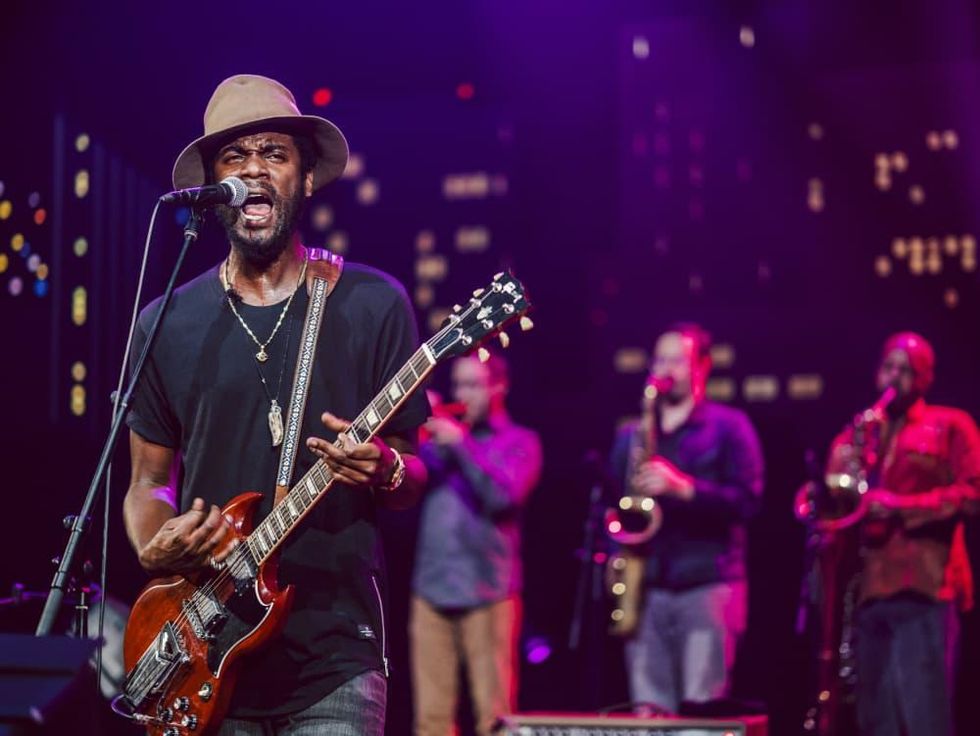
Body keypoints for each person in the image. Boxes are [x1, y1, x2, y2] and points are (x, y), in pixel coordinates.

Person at [122, 74, 430, 735]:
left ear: (307, 178)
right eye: (234, 156)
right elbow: (147, 483)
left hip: (335, 658)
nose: (254, 169)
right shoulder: (165, 322)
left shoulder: (374, 304)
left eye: (274, 153)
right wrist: (157, 542)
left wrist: (387, 469)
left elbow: (413, 471)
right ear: (212, 186)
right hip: (204, 651)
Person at [824, 332, 980, 736]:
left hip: (924, 586)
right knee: (877, 720)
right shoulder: (863, 431)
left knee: (924, 716)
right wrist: (839, 470)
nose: (895, 377)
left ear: (926, 378)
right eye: (889, 367)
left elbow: (973, 494)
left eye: (906, 370)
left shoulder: (950, 425)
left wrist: (899, 506)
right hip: (868, 591)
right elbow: (832, 502)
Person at [608, 323, 763, 714]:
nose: (665, 369)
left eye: (677, 360)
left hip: (707, 584)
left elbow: (747, 502)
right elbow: (618, 504)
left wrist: (685, 488)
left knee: (700, 711)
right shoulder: (633, 433)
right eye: (659, 359)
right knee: (648, 712)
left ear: (703, 366)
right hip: (647, 586)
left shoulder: (730, 427)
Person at [410, 351, 542, 735]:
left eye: (473, 385)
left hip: (489, 591)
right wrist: (418, 424)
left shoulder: (521, 441)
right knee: (430, 721)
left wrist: (461, 443)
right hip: (430, 591)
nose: (462, 396)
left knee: (494, 718)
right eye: (458, 385)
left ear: (499, 387)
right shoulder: (440, 443)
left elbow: (503, 498)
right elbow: (406, 483)